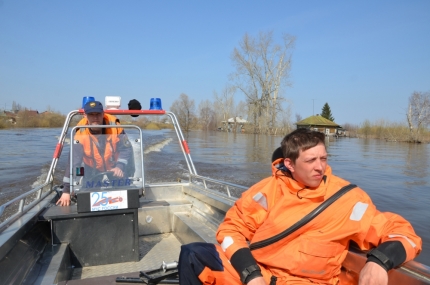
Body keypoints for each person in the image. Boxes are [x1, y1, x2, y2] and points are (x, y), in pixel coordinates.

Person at [178, 128, 422, 285]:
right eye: (311, 160)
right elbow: (231, 230)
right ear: (290, 164)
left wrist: (380, 261)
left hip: (309, 282)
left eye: (324, 159)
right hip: (261, 274)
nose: (320, 167)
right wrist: (250, 274)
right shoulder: (268, 190)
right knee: (192, 255)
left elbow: (403, 234)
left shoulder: (349, 199)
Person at [56, 101, 133, 206]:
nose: (95, 117)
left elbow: (126, 149)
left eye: (97, 114)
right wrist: (66, 191)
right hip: (92, 168)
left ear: (103, 114)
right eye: (91, 115)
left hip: (115, 167)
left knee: (126, 198)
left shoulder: (116, 126)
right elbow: (74, 162)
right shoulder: (79, 134)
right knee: (87, 200)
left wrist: (120, 166)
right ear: (85, 115)